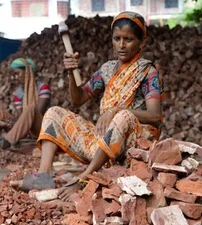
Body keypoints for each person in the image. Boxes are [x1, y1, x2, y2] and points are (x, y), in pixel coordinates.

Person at [13, 12, 164, 199]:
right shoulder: (107, 69)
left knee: (123, 116)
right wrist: (71, 72)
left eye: (128, 39)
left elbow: (155, 116)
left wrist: (117, 110)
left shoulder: (147, 72)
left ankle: (85, 178)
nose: (121, 45)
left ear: (141, 43)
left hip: (130, 147)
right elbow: (78, 99)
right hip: (103, 144)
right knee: (53, 113)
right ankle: (43, 176)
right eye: (117, 39)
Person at [0, 58, 52, 149]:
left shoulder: (43, 88)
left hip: (41, 127)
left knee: (30, 108)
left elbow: (38, 113)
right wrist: (11, 123)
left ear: (27, 72)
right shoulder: (18, 93)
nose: (16, 77)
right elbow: (21, 117)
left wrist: (18, 123)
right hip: (25, 129)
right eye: (14, 74)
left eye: (18, 73)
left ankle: (8, 141)